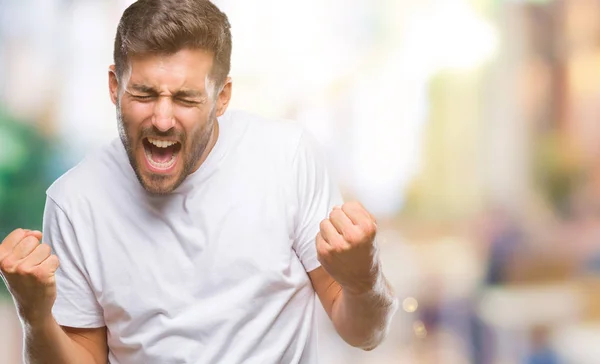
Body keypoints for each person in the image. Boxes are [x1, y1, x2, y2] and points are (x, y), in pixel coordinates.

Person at [0, 1, 398, 363]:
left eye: (186, 99)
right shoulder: (75, 201)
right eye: (143, 93)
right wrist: (35, 316)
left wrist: (364, 280)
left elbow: (364, 334)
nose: (162, 118)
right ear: (113, 86)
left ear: (222, 97)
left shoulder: (288, 157)